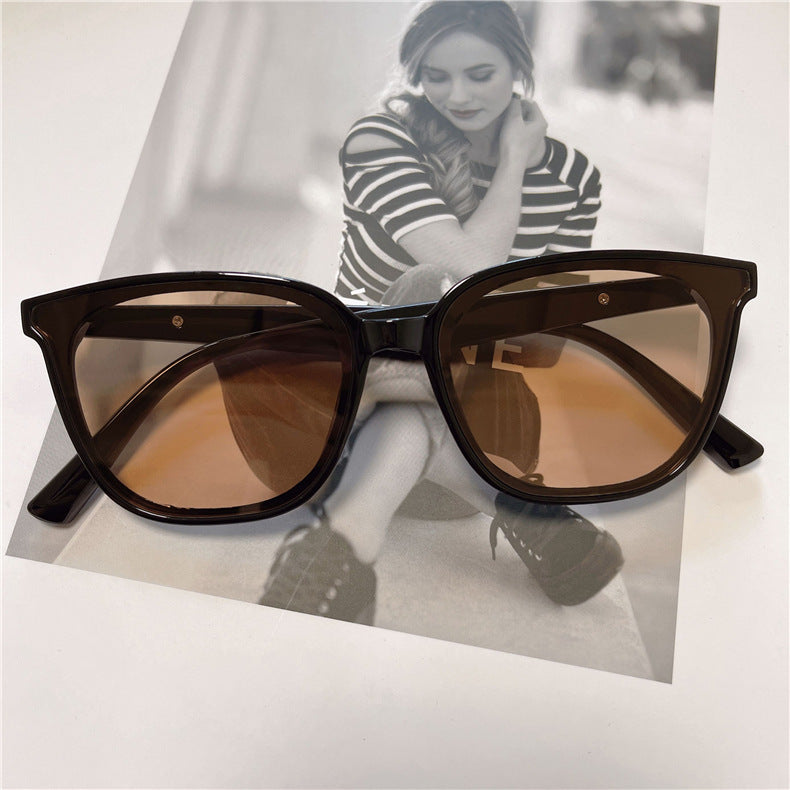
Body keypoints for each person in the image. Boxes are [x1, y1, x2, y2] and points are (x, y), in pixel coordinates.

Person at [259, 0, 624, 624]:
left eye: (480, 75)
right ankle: (528, 516)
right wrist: (514, 167)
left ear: (519, 67)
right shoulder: (379, 143)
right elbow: (477, 264)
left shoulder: (572, 179)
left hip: (480, 424)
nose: (457, 95)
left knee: (422, 310)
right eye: (437, 76)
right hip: (361, 430)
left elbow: (543, 344)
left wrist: (514, 160)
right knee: (413, 301)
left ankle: (342, 550)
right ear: (415, 75)